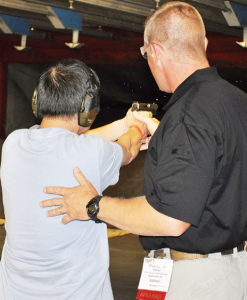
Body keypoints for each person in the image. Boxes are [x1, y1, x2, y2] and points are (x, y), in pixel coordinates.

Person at [41, 2, 247, 299]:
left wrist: (92, 205)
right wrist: (167, 135)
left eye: (146, 54)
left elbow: (170, 219)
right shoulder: (236, 101)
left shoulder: (188, 115)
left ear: (156, 52)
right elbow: (221, 167)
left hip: (198, 281)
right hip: (233, 269)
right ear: (203, 44)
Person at [0, 58, 148, 300]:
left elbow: (67, 142)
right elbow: (129, 149)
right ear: (88, 107)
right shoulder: (92, 152)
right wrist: (137, 128)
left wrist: (122, 124)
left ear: (38, 100)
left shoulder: (13, 144)